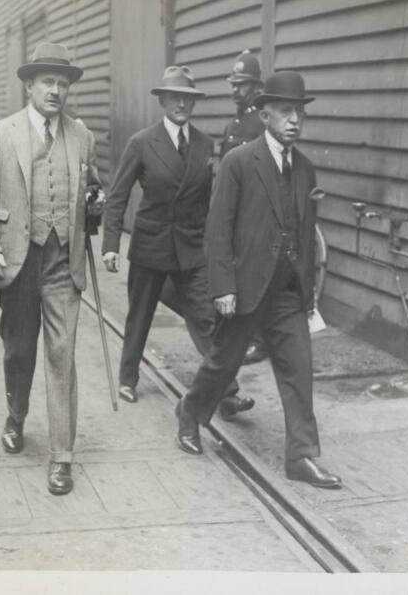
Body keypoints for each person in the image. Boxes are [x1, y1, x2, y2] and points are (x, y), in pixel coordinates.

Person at [175, 71, 341, 489]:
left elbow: (304, 235)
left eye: (299, 112)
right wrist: (224, 287)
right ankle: (191, 413)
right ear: (264, 114)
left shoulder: (305, 170)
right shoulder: (238, 162)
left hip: (286, 293)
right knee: (221, 363)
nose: (294, 120)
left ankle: (301, 456)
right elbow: (218, 229)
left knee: (299, 370)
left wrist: (308, 294)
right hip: (246, 290)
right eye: (285, 111)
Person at [0, 42, 104, 496]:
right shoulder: (1, 136)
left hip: (64, 263)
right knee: (18, 351)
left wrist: (94, 205)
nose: (56, 91)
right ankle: (16, 413)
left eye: (63, 84)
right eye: (48, 82)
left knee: (62, 356)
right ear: (29, 85)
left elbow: (91, 189)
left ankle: (62, 456)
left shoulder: (82, 137)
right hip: (18, 264)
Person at [101, 66, 252, 420]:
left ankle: (226, 393)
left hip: (191, 248)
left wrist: (218, 249)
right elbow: (117, 195)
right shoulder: (142, 142)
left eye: (188, 98)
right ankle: (127, 377)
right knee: (140, 315)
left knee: (206, 317)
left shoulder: (203, 144)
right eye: (175, 97)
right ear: (163, 101)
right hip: (151, 246)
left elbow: (208, 201)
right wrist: (110, 244)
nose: (181, 104)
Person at [221, 50, 269, 366]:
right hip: (235, 211)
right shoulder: (235, 123)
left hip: (256, 213)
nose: (235, 90)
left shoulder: (260, 123)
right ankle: (244, 335)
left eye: (241, 85)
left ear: (254, 86)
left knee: (257, 275)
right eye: (234, 84)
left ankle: (260, 340)